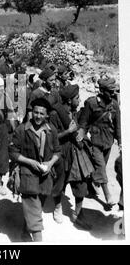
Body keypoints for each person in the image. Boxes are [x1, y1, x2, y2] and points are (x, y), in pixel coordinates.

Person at [9, 97, 61, 242]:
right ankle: (38, 239)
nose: (38, 116)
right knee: (34, 210)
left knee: (37, 207)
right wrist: (30, 162)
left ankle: (25, 232)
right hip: (27, 174)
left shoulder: (52, 131)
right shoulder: (22, 129)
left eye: (41, 114)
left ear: (47, 115)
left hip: (45, 176)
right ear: (32, 113)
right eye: (36, 113)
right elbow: (13, 152)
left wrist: (50, 164)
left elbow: (58, 152)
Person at [49, 84, 94, 230]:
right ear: (69, 100)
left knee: (81, 183)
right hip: (62, 153)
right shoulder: (56, 114)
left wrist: (81, 131)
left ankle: (78, 214)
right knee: (60, 183)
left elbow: (83, 125)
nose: (79, 100)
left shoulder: (74, 112)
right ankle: (57, 207)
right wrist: (68, 131)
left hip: (76, 152)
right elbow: (51, 136)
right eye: (77, 98)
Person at [78, 77, 121, 208]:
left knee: (98, 166)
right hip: (94, 141)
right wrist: (81, 137)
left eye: (114, 91)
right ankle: (107, 195)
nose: (113, 93)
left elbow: (118, 124)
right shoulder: (92, 103)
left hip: (108, 141)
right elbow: (83, 123)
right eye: (110, 91)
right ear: (102, 90)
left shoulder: (114, 104)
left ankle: (90, 185)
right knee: (101, 167)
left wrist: (120, 141)